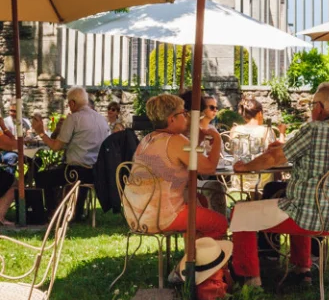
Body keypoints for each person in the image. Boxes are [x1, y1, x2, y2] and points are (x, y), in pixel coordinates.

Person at [229, 82, 329, 288]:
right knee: (300, 199)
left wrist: (246, 167)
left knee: (241, 212)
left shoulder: (314, 129)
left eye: (313, 105)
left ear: (320, 107)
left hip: (309, 217)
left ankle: (250, 280)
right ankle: (302, 270)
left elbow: (274, 159)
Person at [125, 93, 226, 239]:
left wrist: (197, 141)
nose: (186, 117)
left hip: (137, 214)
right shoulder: (175, 140)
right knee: (219, 223)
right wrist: (217, 139)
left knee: (200, 201)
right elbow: (208, 168)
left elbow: (185, 160)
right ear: (172, 118)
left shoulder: (148, 138)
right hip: (161, 216)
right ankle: (204, 259)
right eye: (183, 113)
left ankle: (194, 256)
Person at [32, 87, 110, 221]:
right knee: (63, 172)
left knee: (41, 177)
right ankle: (75, 212)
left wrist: (41, 132)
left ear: (73, 103)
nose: (69, 107)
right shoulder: (102, 119)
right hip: (96, 172)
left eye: (69, 104)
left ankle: (52, 213)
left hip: (75, 172)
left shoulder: (74, 118)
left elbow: (56, 147)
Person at [228, 98, 276, 195]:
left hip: (239, 179)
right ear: (259, 114)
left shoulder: (235, 130)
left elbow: (232, 152)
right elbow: (274, 152)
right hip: (261, 179)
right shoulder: (266, 130)